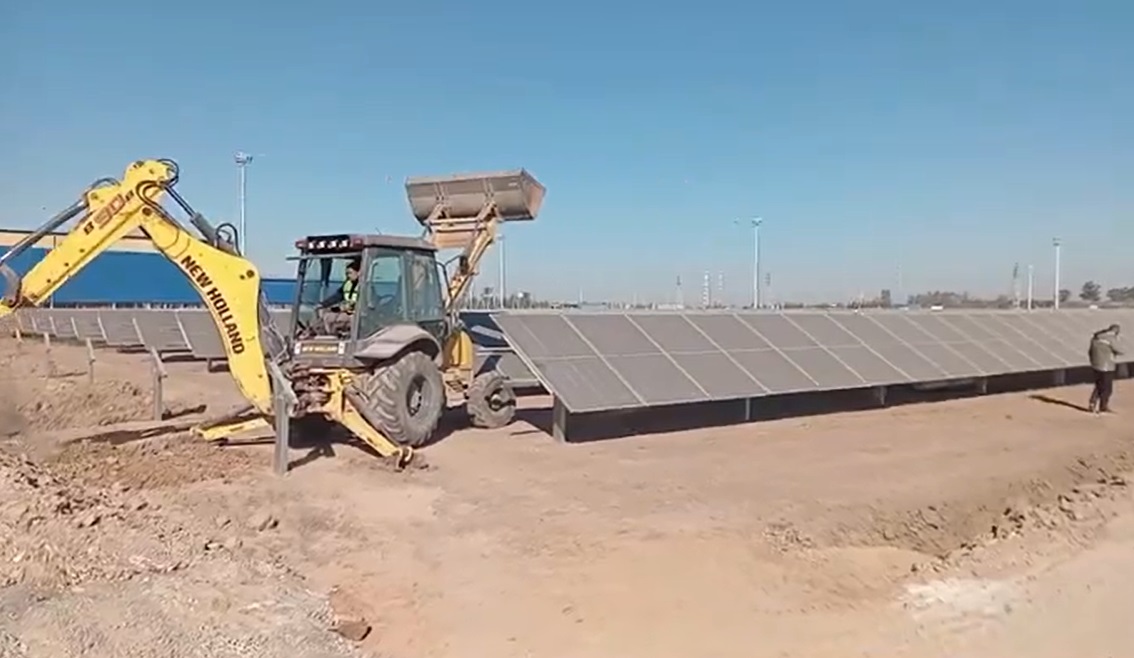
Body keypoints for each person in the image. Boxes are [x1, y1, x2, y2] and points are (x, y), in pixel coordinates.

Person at [316, 258, 361, 334]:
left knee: (347, 319)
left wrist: (352, 307)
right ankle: (330, 337)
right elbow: (337, 296)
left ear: (358, 273)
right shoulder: (347, 285)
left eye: (350, 273)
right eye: (347, 273)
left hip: (358, 314)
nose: (348, 275)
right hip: (346, 311)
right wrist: (323, 304)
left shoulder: (365, 286)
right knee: (327, 316)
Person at [1088, 323, 1123, 414]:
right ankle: (1103, 406)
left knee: (1099, 385)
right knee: (1107, 388)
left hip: (1096, 365)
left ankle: (1092, 403)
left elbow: (1090, 352)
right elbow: (1119, 350)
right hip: (1107, 366)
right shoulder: (1110, 339)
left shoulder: (1096, 338)